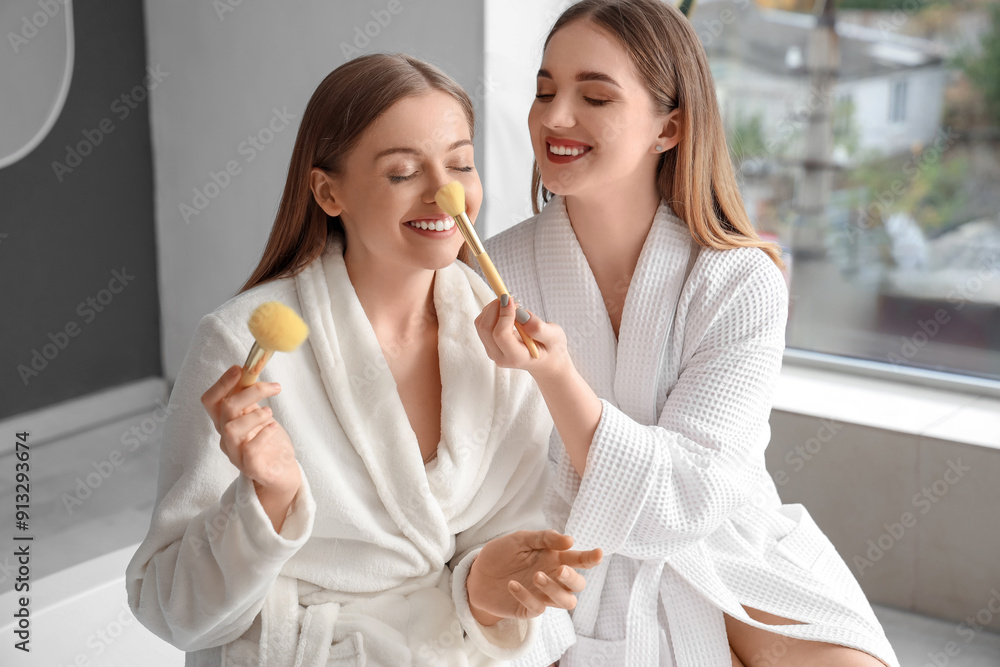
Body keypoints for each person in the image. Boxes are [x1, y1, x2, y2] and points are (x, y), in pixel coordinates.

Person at [125, 53, 601, 667]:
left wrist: (488, 590)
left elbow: (487, 557)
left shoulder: (500, 344)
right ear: (328, 191)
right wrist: (267, 500)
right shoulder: (244, 345)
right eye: (403, 172)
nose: (445, 193)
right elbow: (172, 612)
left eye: (459, 163)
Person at [474, 1, 900, 666]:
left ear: (668, 128)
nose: (555, 118)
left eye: (594, 95)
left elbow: (690, 497)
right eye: (544, 90)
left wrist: (558, 377)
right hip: (559, 551)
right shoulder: (490, 276)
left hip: (721, 542)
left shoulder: (738, 281)